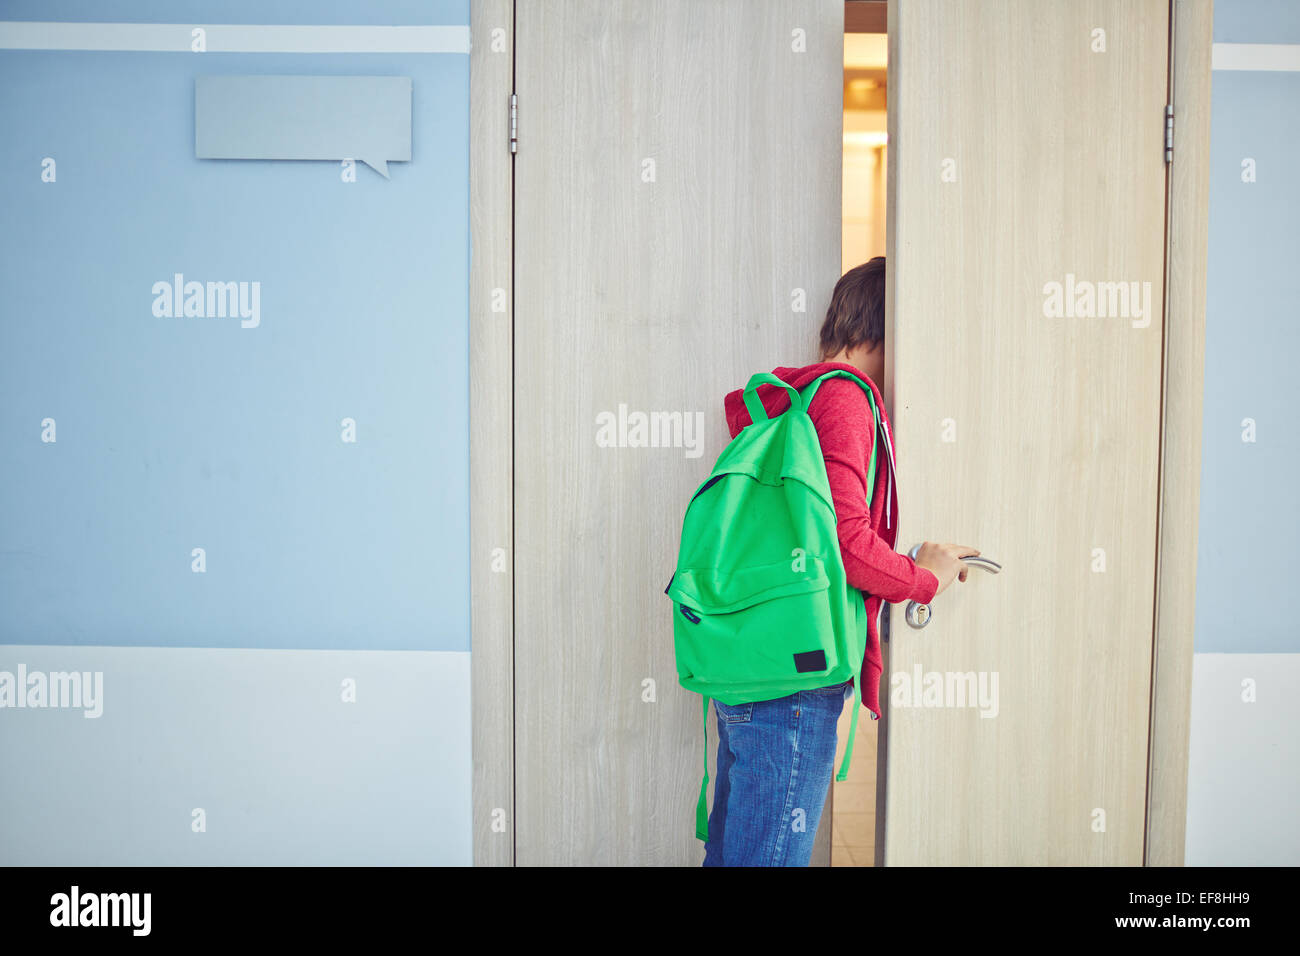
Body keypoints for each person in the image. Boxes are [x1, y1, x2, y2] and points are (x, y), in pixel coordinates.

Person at [704, 256, 978, 867]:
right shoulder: (848, 401)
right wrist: (922, 578)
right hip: (797, 679)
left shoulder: (793, 399)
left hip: (753, 658)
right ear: (890, 325)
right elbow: (846, 544)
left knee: (736, 856)